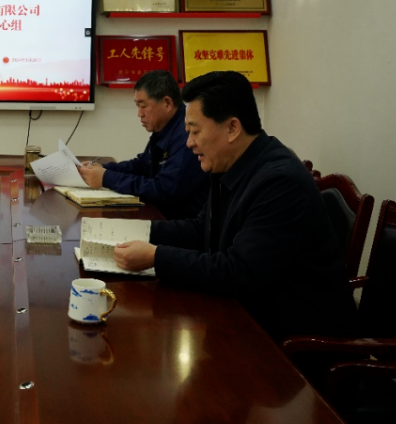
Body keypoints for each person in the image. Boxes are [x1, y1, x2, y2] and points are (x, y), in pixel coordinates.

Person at [113, 71, 358, 340]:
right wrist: (136, 231)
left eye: (195, 131)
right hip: (248, 313)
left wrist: (155, 257)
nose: (189, 142)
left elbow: (238, 272)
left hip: (297, 340)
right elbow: (201, 229)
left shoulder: (280, 182)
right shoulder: (230, 163)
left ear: (232, 128)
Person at [77, 69, 207, 219]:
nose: (139, 113)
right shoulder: (165, 127)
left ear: (167, 103)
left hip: (181, 223)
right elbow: (142, 166)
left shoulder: (186, 134)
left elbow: (164, 190)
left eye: (143, 106)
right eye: (137, 106)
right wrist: (103, 169)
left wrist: (106, 178)